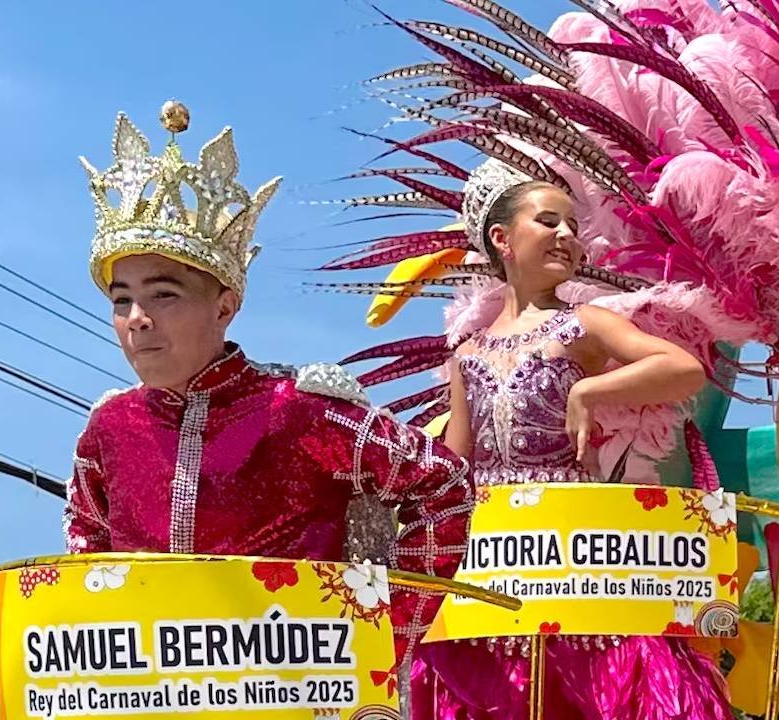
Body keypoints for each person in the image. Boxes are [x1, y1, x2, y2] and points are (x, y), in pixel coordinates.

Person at [63, 102, 474, 667]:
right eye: (121, 299)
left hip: (290, 694)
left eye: (163, 294)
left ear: (225, 306)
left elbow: (444, 485)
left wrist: (382, 632)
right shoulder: (110, 428)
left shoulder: (300, 411)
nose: (137, 317)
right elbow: (87, 545)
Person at [412, 160, 733, 719]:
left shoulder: (584, 322)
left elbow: (682, 369)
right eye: (549, 221)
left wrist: (591, 392)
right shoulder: (467, 355)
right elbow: (454, 466)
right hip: (494, 557)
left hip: (571, 553)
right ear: (502, 239)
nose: (568, 236)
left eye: (574, 226)